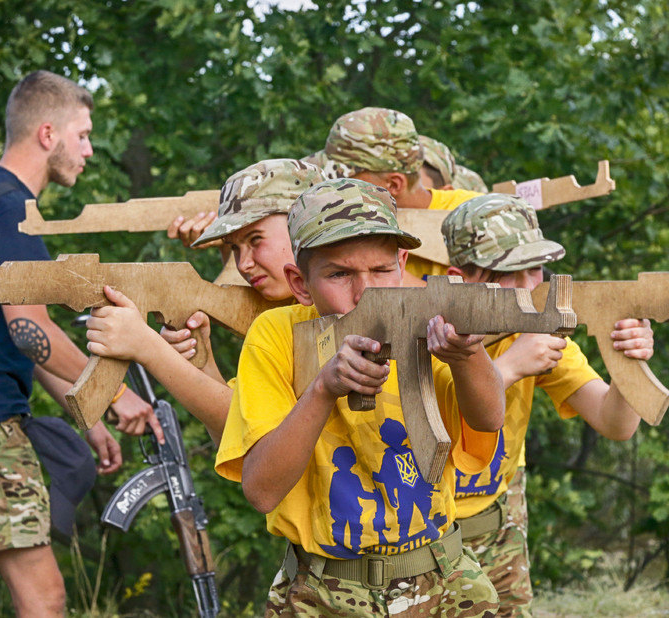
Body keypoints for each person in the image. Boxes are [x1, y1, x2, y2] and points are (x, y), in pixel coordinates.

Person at [0, 70, 158, 618]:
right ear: (48, 134)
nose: (88, 150)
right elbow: (29, 328)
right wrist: (114, 394)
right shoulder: (9, 209)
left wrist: (86, 412)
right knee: (45, 597)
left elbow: (14, 336)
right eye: (82, 135)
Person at [215, 178, 505, 616]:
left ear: (402, 262)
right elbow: (261, 490)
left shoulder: (431, 321)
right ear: (300, 282)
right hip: (324, 591)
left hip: (442, 577)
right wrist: (323, 389)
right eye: (339, 274)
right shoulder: (276, 338)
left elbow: (488, 418)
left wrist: (467, 355)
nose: (364, 291)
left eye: (381, 271)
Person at [440, 193, 654, 615]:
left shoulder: (538, 334)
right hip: (419, 538)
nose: (528, 289)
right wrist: (510, 366)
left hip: (497, 528)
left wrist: (628, 363)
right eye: (509, 273)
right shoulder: (425, 335)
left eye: (535, 269)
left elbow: (616, 424)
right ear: (457, 279)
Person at [85, 159, 325, 443]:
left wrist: (146, 347)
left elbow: (257, 433)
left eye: (256, 240)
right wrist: (202, 360)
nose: (244, 264)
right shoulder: (280, 323)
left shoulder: (338, 311)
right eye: (234, 247)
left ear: (304, 226)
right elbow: (235, 436)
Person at [321, 107, 484, 281]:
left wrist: (384, 275)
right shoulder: (334, 217)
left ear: (394, 184)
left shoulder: (480, 215)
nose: (336, 188)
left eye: (347, 179)